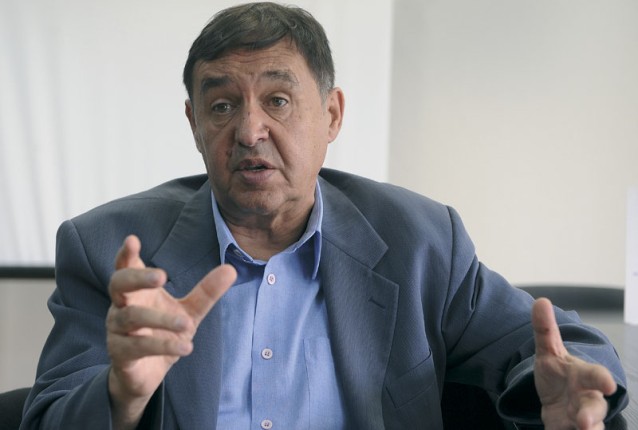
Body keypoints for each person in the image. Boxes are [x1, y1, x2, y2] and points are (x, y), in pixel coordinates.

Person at [21, 2, 627, 429]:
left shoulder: (419, 241)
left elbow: (566, 347)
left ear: (332, 115)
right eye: (222, 105)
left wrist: (569, 385)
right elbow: (46, 417)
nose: (250, 130)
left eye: (278, 100)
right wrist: (121, 395)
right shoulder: (110, 248)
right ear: (194, 125)